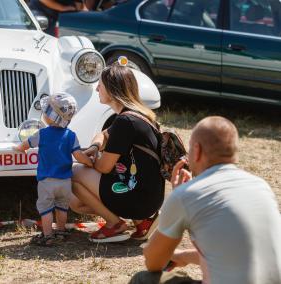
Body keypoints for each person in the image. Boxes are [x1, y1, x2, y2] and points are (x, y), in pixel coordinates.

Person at [132, 116, 281, 284]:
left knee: (143, 280)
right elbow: (234, 251)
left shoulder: (186, 195)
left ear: (197, 150)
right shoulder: (261, 187)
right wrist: (184, 256)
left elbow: (153, 262)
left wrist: (177, 201)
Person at [69, 64, 164, 243]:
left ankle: (115, 224)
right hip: (149, 197)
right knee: (76, 202)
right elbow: (103, 135)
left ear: (112, 90)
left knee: (74, 172)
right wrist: (95, 147)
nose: (97, 88)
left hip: (139, 197)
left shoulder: (125, 121)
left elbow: (104, 168)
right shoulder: (135, 115)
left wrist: (89, 160)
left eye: (100, 85)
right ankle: (141, 221)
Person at [14, 93, 92, 246]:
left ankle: (48, 235)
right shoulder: (71, 135)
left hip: (46, 181)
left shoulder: (42, 134)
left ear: (51, 116)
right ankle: (61, 231)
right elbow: (78, 155)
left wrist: (18, 149)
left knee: (46, 209)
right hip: (65, 181)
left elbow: (24, 145)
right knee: (62, 207)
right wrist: (89, 162)